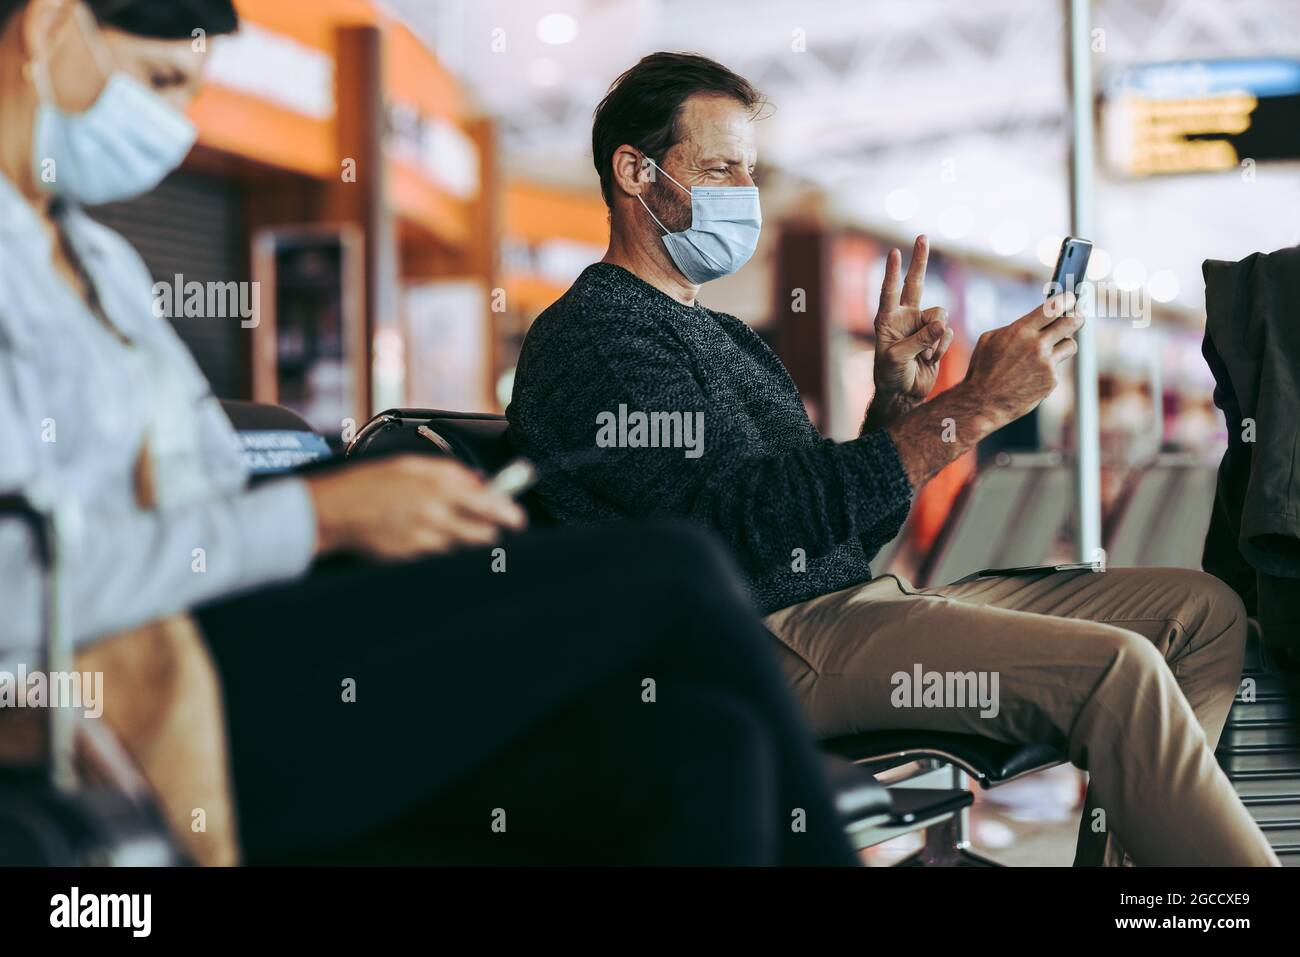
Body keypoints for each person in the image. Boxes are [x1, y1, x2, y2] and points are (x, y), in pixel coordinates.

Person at [0, 0, 860, 867]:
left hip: (259, 616)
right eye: (157, 81)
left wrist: (353, 514)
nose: (173, 125)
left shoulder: (98, 260)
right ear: (44, 30)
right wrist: (319, 516)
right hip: (143, 673)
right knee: (674, 566)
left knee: (705, 745)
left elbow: (204, 480)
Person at [505, 51, 1280, 866]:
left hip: (851, 606)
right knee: (1118, 670)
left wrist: (897, 405)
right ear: (635, 172)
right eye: (721, 168)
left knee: (1202, 614)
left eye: (751, 171)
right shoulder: (596, 334)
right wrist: (971, 405)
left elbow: (833, 533)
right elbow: (732, 530)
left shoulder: (727, 335)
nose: (745, 192)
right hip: (750, 642)